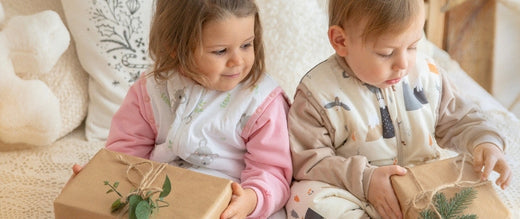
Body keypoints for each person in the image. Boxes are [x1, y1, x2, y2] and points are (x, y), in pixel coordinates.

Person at [285, 0, 512, 218]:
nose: (403, 64)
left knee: (471, 188)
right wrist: (366, 180)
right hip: (356, 194)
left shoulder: (427, 75)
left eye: (413, 46)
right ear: (341, 41)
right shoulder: (316, 94)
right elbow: (309, 160)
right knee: (303, 199)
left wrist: (485, 142)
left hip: (424, 186)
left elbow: (462, 119)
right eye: (386, 53)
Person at [99, 0, 292, 218]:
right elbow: (124, 154)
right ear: (175, 47)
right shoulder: (151, 90)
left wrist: (251, 199)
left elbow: (273, 171)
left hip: (229, 203)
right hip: (159, 198)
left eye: (247, 45)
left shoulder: (260, 102)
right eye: (220, 51)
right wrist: (101, 180)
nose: (238, 60)